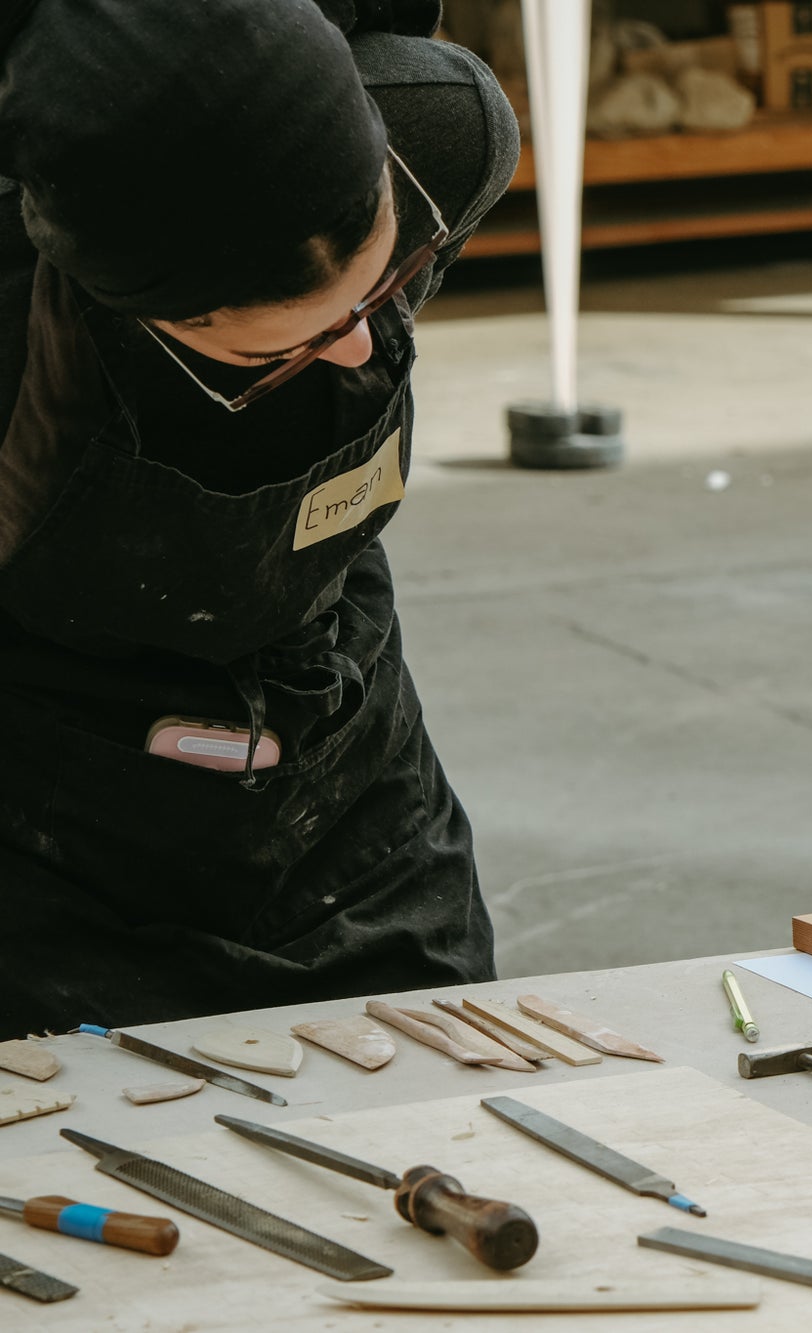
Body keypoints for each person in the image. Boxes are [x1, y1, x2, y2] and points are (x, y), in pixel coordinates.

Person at [0, 0, 518, 1037]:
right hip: (54, 830)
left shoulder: (437, 125)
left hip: (349, 763)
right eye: (278, 354)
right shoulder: (19, 338)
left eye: (381, 282)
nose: (358, 349)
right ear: (145, 312)